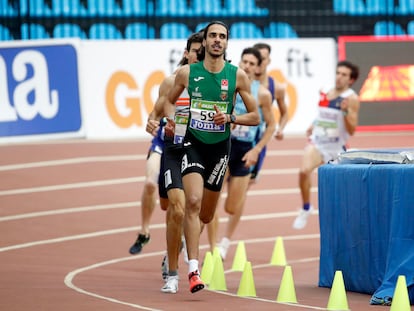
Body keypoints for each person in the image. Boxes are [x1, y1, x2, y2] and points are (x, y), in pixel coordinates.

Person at [163, 21, 260, 293]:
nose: (217, 40)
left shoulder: (238, 76)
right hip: (193, 143)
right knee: (191, 202)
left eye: (222, 36)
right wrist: (173, 120)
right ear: (204, 42)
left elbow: (255, 116)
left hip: (219, 149)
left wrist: (230, 117)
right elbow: (169, 102)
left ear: (227, 43)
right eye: (213, 36)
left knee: (206, 214)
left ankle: (192, 240)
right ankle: (193, 270)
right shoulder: (186, 73)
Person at [145, 31, 204, 294]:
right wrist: (152, 122)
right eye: (195, 51)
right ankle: (172, 268)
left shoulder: (217, 84)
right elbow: (155, 112)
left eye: (203, 52)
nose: (199, 55)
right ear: (186, 53)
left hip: (202, 152)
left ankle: (178, 265)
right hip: (174, 148)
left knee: (195, 210)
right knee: (173, 209)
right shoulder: (171, 83)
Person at [210, 47, 275, 260]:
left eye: (251, 63)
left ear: (258, 68)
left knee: (231, 207)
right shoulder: (226, 86)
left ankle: (226, 240)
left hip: (246, 151)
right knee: (211, 196)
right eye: (244, 61)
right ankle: (213, 246)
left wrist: (257, 150)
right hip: (223, 145)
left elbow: (271, 126)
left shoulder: (263, 94)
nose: (246, 66)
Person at [292, 60, 360, 230]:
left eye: (344, 75)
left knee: (339, 192)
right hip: (318, 143)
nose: (339, 77)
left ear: (351, 80)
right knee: (303, 171)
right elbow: (322, 114)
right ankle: (306, 208)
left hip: (337, 148)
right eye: (338, 73)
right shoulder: (325, 90)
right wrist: (313, 124)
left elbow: (351, 130)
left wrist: (344, 112)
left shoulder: (351, 99)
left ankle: (346, 222)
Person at [252, 42, 289, 182]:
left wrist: (280, 128)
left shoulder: (277, 88)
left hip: (257, 140)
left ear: (269, 60)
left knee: (247, 182)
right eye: (257, 58)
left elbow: (284, 113)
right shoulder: (241, 82)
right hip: (235, 138)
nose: (260, 62)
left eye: (263, 58)